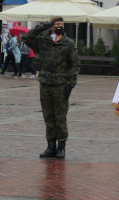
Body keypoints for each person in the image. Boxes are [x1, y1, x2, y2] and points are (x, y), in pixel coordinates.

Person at [26, 17, 79, 159]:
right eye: (57, 24)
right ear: (51, 26)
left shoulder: (68, 43)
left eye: (62, 24)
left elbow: (74, 65)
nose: (60, 26)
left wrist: (71, 84)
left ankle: (61, 146)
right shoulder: (44, 41)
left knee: (60, 117)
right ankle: (51, 146)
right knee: (48, 116)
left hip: (61, 85)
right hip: (45, 84)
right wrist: (42, 27)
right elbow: (27, 37)